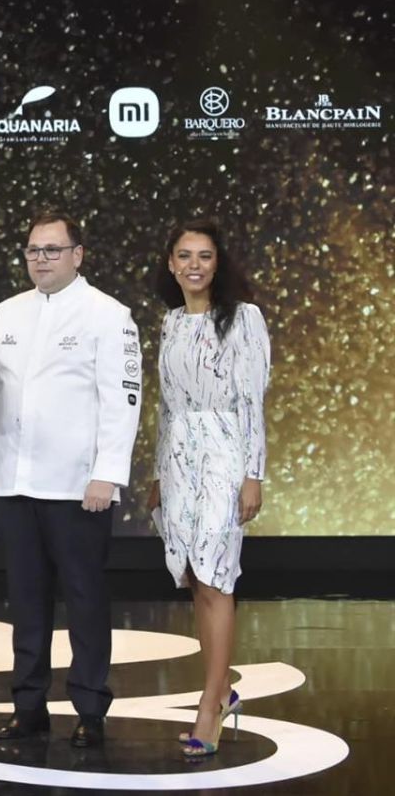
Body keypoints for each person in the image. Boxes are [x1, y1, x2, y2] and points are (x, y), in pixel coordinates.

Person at [0, 210, 142, 748]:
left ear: (77, 255)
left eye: (52, 250)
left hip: (77, 488)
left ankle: (89, 709)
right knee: (26, 598)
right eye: (33, 251)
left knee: (85, 597)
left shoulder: (108, 315)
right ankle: (29, 706)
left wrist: (107, 474)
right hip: (14, 484)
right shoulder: (7, 313)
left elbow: (123, 400)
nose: (40, 259)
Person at [146, 218, 270, 757]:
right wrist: (156, 472)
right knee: (195, 576)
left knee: (218, 576)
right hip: (178, 461)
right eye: (184, 256)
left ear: (218, 265)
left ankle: (211, 703)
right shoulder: (171, 323)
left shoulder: (244, 319)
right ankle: (220, 690)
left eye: (204, 256)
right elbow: (167, 405)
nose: (194, 264)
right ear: (171, 265)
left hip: (225, 455)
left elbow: (252, 402)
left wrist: (253, 474)